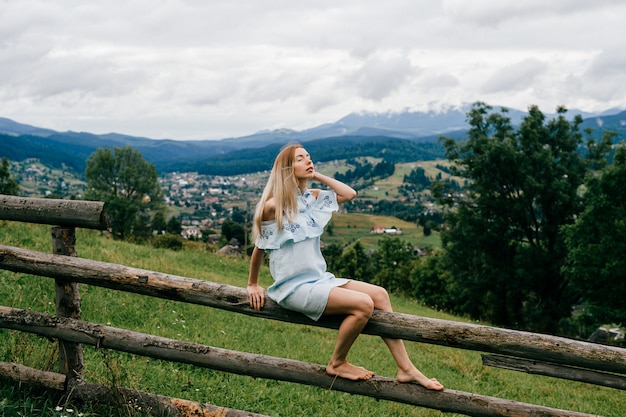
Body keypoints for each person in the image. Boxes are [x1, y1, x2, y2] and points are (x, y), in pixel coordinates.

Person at [247, 143, 443, 390]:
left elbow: (349, 194)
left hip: (319, 278)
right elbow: (259, 248)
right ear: (287, 168)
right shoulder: (273, 206)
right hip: (293, 287)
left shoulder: (312, 198)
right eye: (300, 159)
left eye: (309, 156)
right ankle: (337, 362)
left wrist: (314, 175)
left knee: (380, 294)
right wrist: (253, 284)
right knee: (364, 305)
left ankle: (406, 368)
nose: (308, 160)